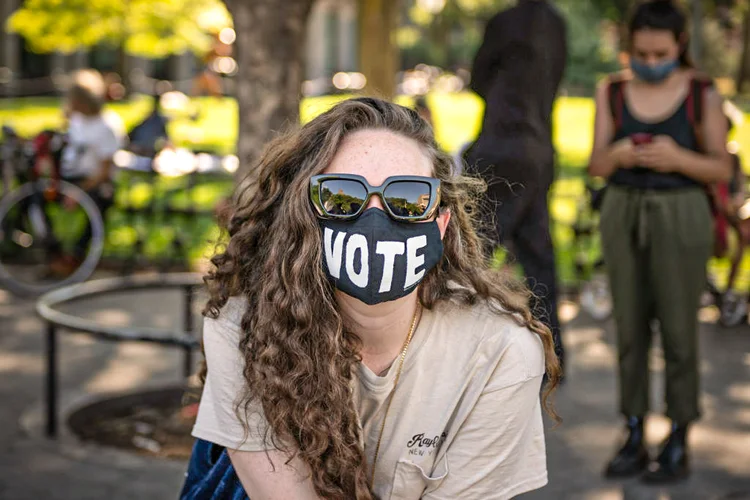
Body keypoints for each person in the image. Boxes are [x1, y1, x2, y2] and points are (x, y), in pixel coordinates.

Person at [182, 97, 561, 500]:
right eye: (343, 196)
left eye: (407, 198)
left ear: (441, 222)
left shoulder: (501, 352)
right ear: (304, 214)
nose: (376, 216)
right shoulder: (243, 330)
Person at [588, 0, 732, 483]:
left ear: (680, 47)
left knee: (678, 330)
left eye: (660, 53)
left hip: (681, 213)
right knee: (629, 329)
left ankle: (678, 435)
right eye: (641, 54)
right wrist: (620, 152)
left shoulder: (701, 93)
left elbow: (722, 167)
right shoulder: (610, 90)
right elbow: (596, 165)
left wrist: (676, 158)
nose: (651, 63)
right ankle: (632, 430)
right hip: (622, 210)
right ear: (629, 48)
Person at [465, 0, 568, 374]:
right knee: (539, 256)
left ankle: (455, 350)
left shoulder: (503, 22)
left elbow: (478, 79)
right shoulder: (556, 25)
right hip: (538, 149)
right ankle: (555, 352)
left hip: (501, 144)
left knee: (471, 253)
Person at [52, 69, 123, 275]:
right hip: (69, 178)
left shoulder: (107, 126)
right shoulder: (77, 119)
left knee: (97, 203)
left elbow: (104, 171)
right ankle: (53, 253)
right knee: (34, 200)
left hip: (94, 182)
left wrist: (79, 192)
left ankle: (76, 255)